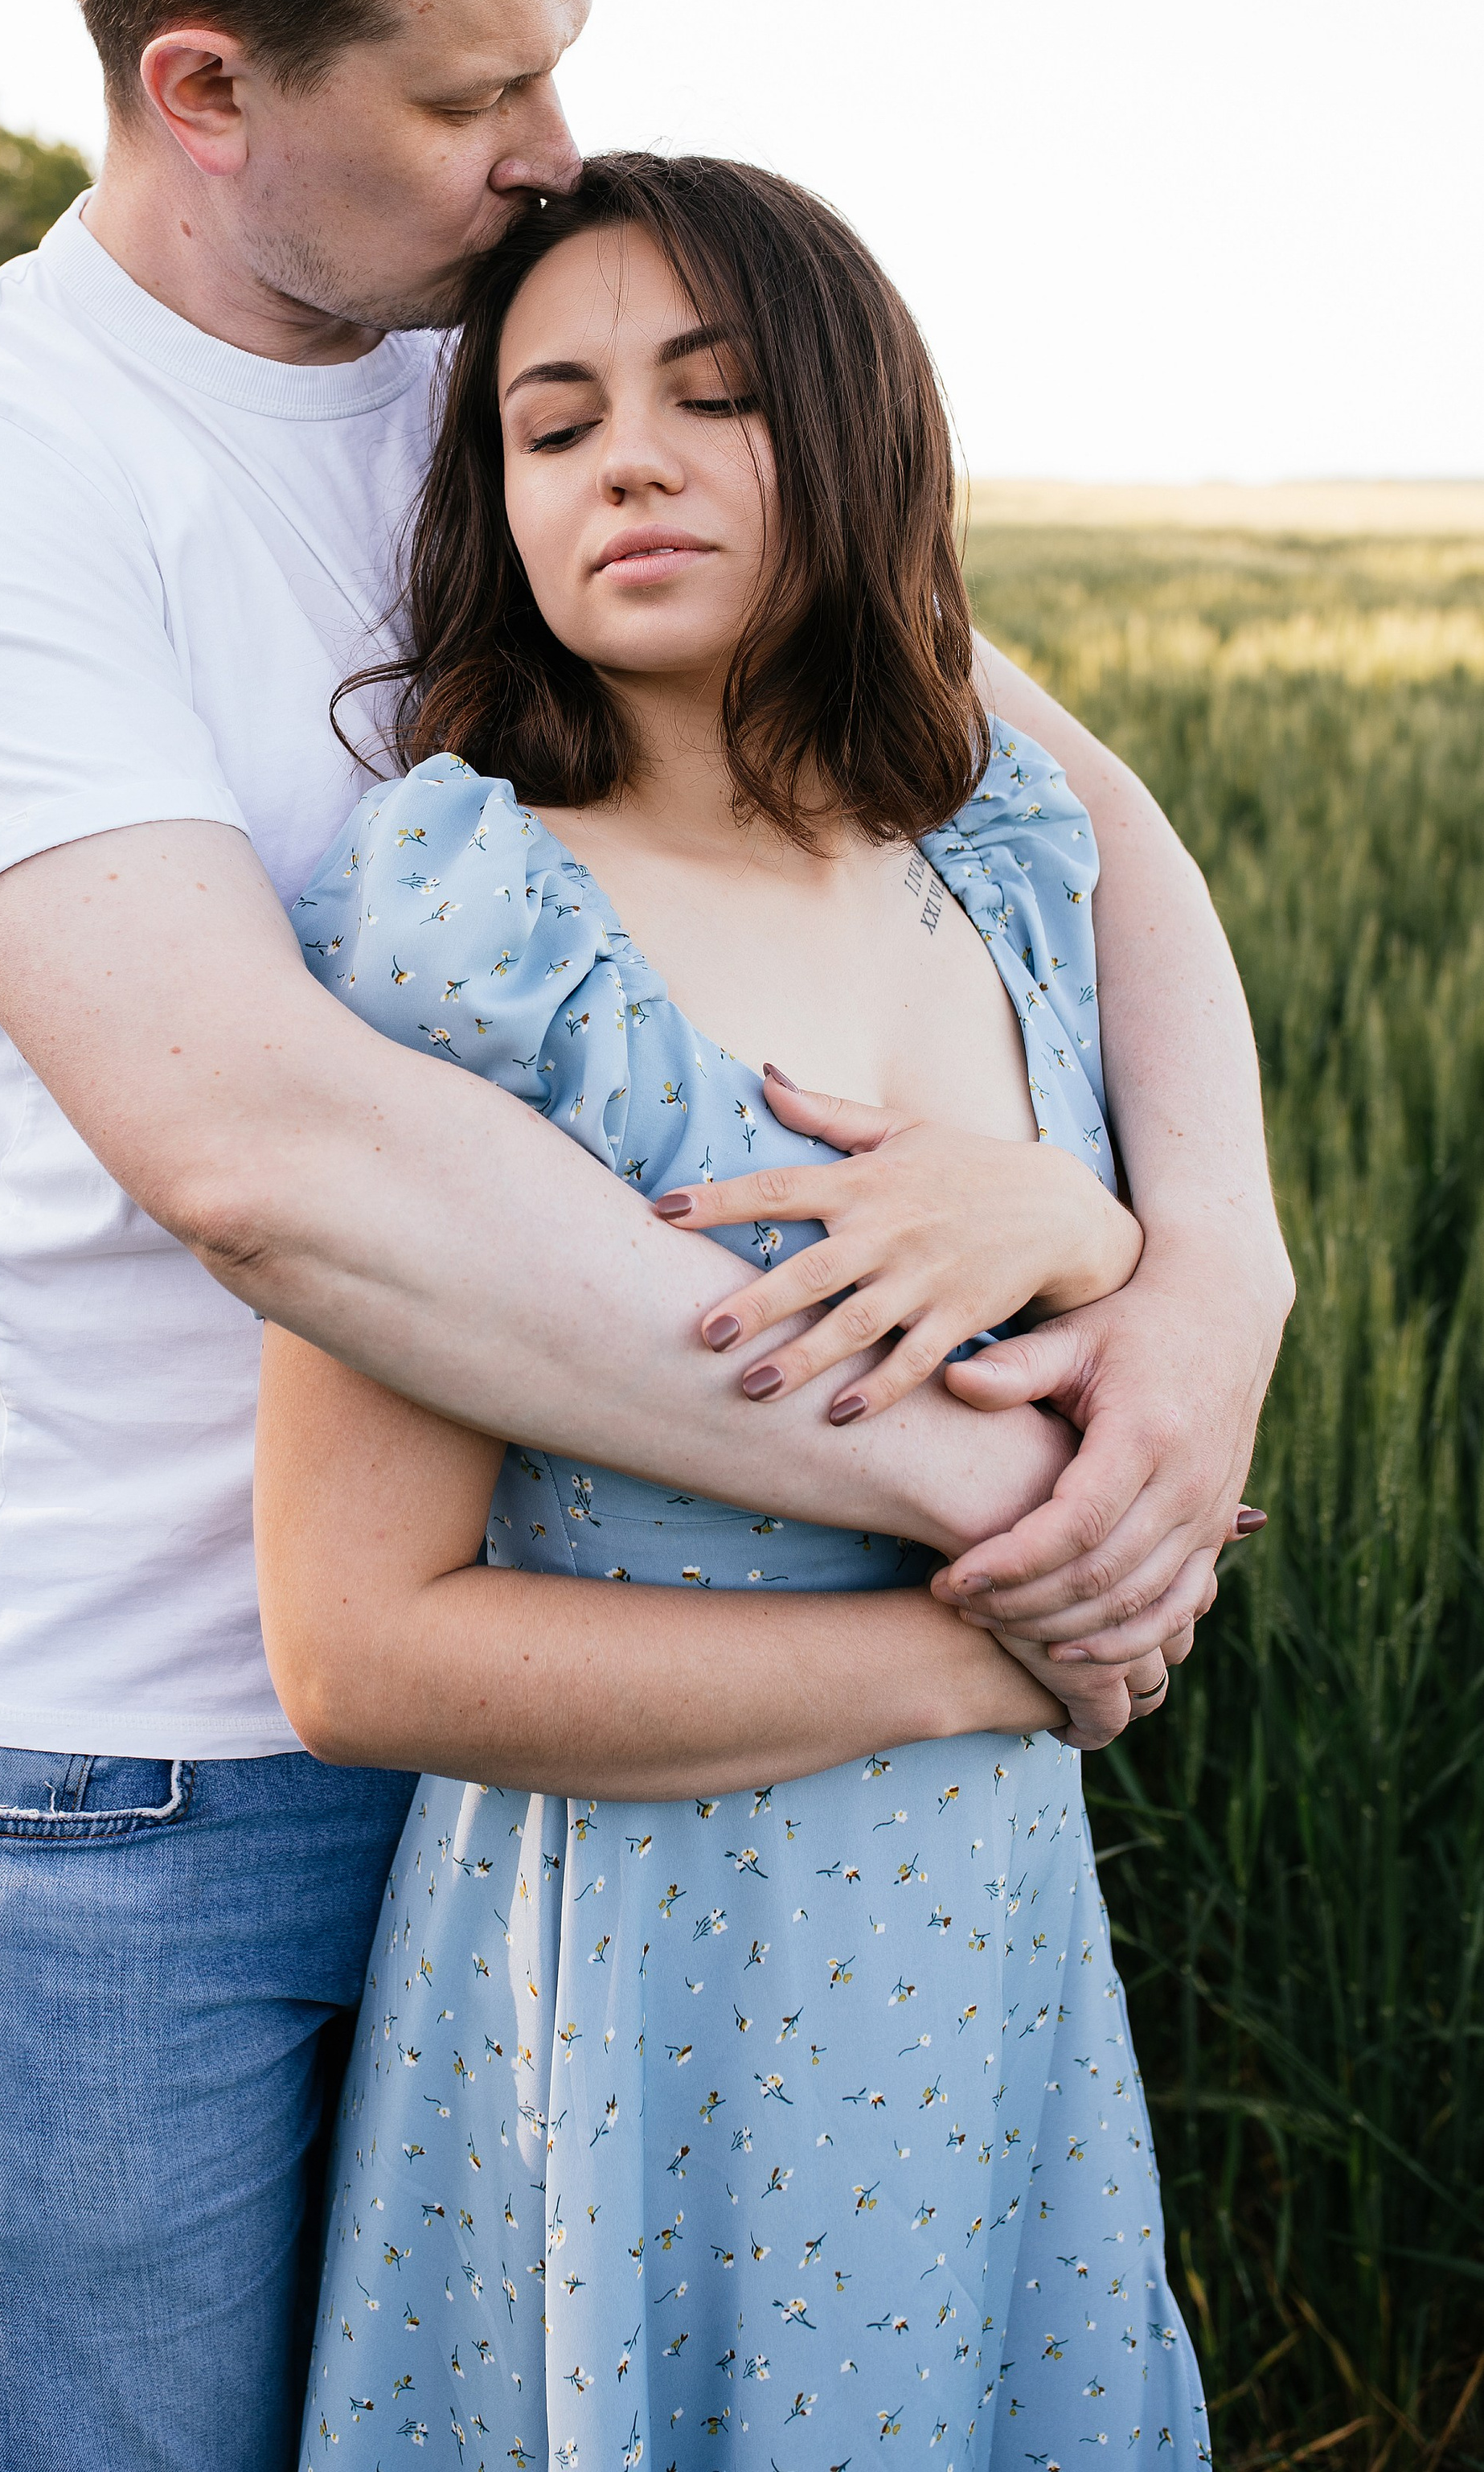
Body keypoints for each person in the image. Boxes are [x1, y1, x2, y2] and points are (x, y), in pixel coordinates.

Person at [0, 0, 1288, 2471]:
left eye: (558, 70)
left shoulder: (515, 362)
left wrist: (1194, 1273)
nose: (547, 156)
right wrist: (1011, 1525)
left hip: (626, 1745)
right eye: (471, 96)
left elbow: (1055, 804)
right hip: (133, 1780)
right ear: (207, 86)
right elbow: (265, 1155)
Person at [261, 152, 1215, 2466]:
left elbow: (1137, 1296)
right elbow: (358, 1644)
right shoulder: (482, 924)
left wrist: (1082, 1240)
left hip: (990, 1948)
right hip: (651, 1986)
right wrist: (967, 1665)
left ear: (862, 433)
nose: (635, 464)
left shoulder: (1001, 865)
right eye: (558, 422)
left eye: (718, 398)